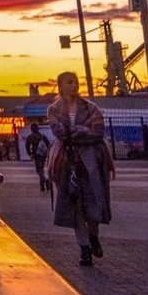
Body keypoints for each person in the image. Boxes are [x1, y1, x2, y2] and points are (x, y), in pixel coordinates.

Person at [45, 72, 112, 266]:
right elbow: (59, 132)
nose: (74, 85)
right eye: (69, 82)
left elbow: (98, 132)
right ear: (60, 86)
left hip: (91, 162)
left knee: (94, 202)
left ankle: (93, 235)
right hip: (67, 162)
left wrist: (81, 133)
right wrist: (83, 130)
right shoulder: (54, 109)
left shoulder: (91, 107)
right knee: (75, 207)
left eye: (75, 82)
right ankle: (84, 248)